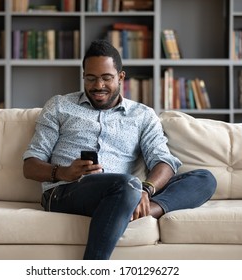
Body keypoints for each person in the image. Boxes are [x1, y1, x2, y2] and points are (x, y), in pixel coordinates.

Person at [23, 39, 217, 260]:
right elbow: (30, 166)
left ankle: (136, 208)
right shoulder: (59, 106)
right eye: (91, 78)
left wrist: (146, 190)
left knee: (204, 178)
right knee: (126, 184)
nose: (98, 86)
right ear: (83, 76)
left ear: (121, 77)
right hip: (66, 192)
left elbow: (163, 160)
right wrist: (64, 172)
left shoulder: (142, 115)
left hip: (124, 190)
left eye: (106, 78)